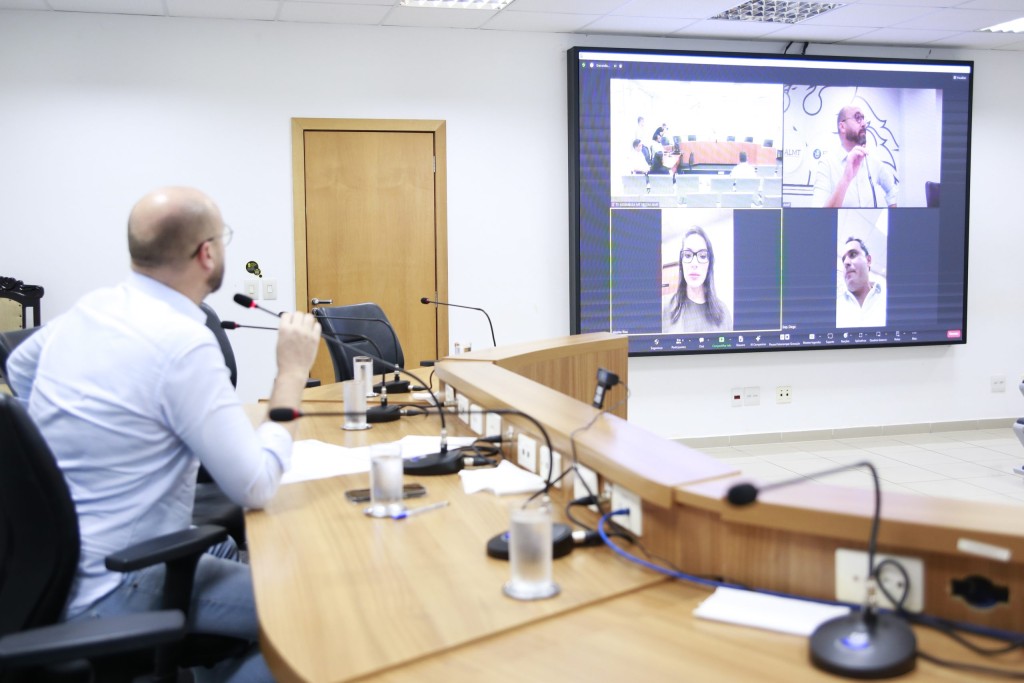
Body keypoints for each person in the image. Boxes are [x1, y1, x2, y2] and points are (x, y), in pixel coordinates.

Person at [7, 187, 322, 682]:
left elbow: (20, 365)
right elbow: (257, 487)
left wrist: (69, 444)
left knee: (245, 568)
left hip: (61, 571)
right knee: (314, 614)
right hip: (123, 582)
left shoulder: (94, 307)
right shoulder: (183, 343)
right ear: (207, 253)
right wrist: (292, 373)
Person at [813, 105, 898, 208]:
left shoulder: (873, 161)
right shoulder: (827, 164)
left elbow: (891, 190)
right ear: (842, 127)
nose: (864, 123)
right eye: (858, 118)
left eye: (863, 118)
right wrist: (846, 179)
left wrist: (893, 215)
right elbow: (819, 213)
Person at [663, 226, 733, 333]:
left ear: (709, 264)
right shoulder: (665, 307)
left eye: (702, 256)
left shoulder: (724, 312)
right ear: (681, 263)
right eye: (687, 255)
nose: (694, 263)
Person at [836, 236, 886, 327]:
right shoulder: (836, 306)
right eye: (843, 260)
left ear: (868, 260)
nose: (846, 262)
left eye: (853, 254)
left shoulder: (887, 298)